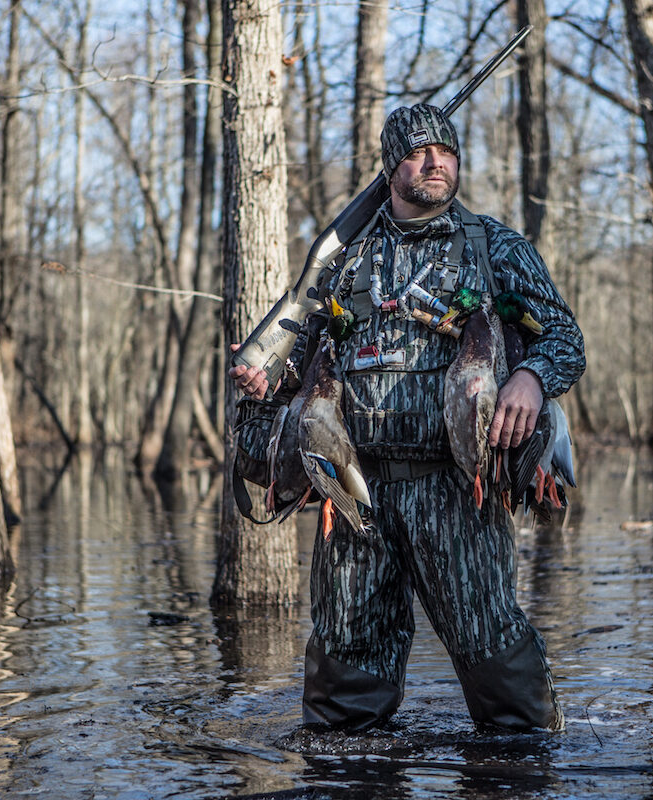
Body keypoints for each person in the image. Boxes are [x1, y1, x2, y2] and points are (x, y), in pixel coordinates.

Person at [230, 103, 585, 732]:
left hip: (455, 491)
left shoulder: (492, 246)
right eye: (419, 153)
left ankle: (524, 773)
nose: (435, 164)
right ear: (392, 167)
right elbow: (304, 355)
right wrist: (268, 375)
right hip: (354, 493)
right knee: (344, 687)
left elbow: (564, 338)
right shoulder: (342, 261)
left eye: (446, 152)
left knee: (497, 661)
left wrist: (531, 379)